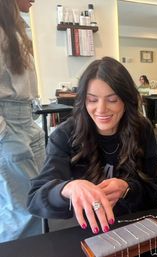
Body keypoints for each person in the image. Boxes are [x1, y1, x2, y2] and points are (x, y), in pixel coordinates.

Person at [27, 57, 157, 235]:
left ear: (126, 100)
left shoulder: (142, 130)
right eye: (92, 100)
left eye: (112, 100)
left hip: (131, 229)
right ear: (83, 100)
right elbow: (35, 199)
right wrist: (68, 189)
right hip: (82, 231)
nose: (101, 109)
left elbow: (153, 192)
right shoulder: (65, 135)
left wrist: (127, 189)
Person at [0, 0, 45, 242]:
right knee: (19, 211)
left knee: (36, 204)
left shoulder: (15, 27)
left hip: (26, 120)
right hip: (9, 125)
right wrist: (3, 134)